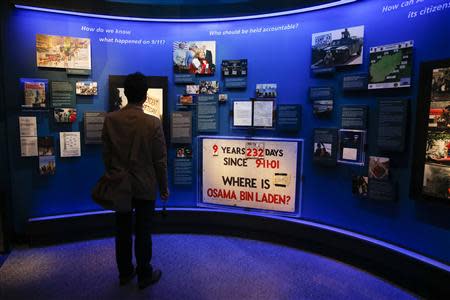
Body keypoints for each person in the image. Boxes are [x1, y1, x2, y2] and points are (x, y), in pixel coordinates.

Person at [101, 72, 169, 289]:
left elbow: (107, 156)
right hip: (145, 185)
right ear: (145, 95)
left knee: (122, 231)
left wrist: (115, 175)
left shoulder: (110, 120)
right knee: (143, 232)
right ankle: (144, 274)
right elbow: (160, 160)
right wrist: (164, 187)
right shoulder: (153, 123)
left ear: (126, 93)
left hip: (120, 185)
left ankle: (125, 273)